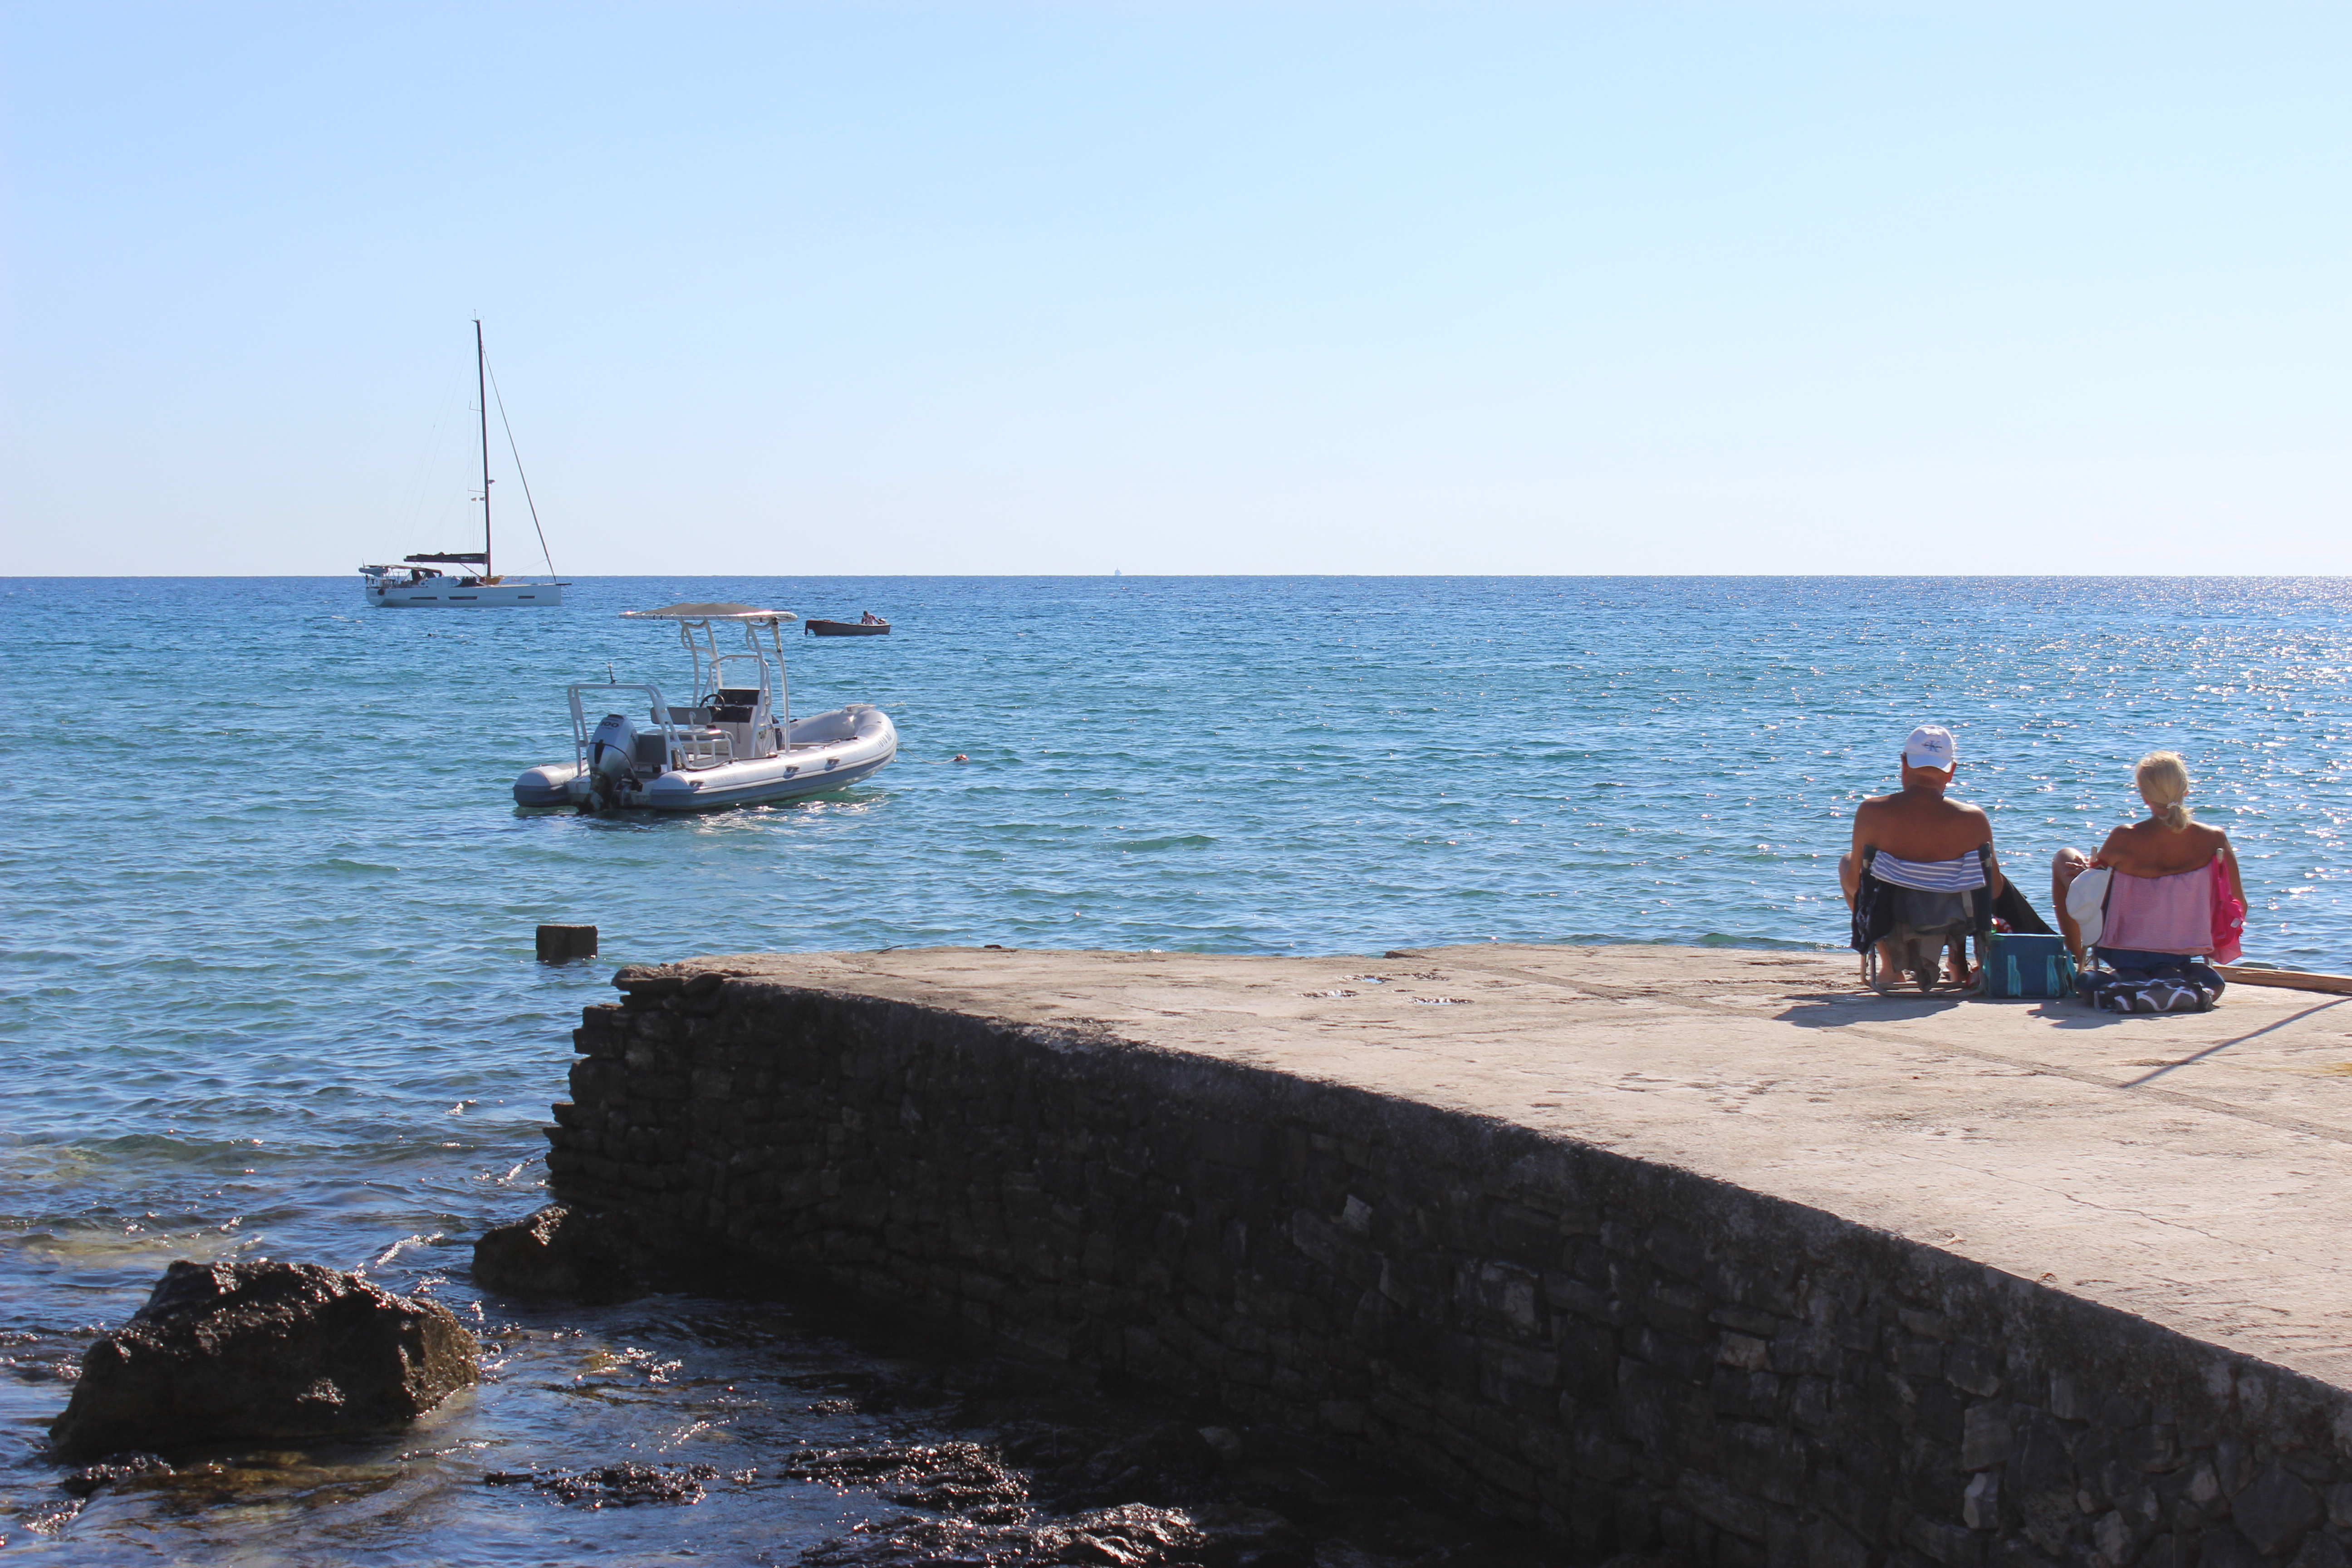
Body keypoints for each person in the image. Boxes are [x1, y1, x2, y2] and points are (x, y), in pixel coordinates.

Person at [2052, 751, 2244, 987]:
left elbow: (2098, 887)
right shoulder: (2214, 839)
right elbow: (2238, 903)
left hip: (2122, 949)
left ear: (2144, 796)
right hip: (2185, 947)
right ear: (2186, 791)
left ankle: (2075, 959)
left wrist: (2087, 871)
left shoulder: (2125, 837)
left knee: (2064, 856)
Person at [1840, 725, 2008, 985]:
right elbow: (1993, 890)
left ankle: (1891, 967)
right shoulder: (1974, 820)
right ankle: (1958, 963)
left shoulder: (1871, 812)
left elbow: (1854, 886)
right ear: (1951, 770)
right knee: (1969, 883)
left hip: (1892, 917)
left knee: (1848, 862)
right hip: (1953, 919)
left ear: (1904, 763)